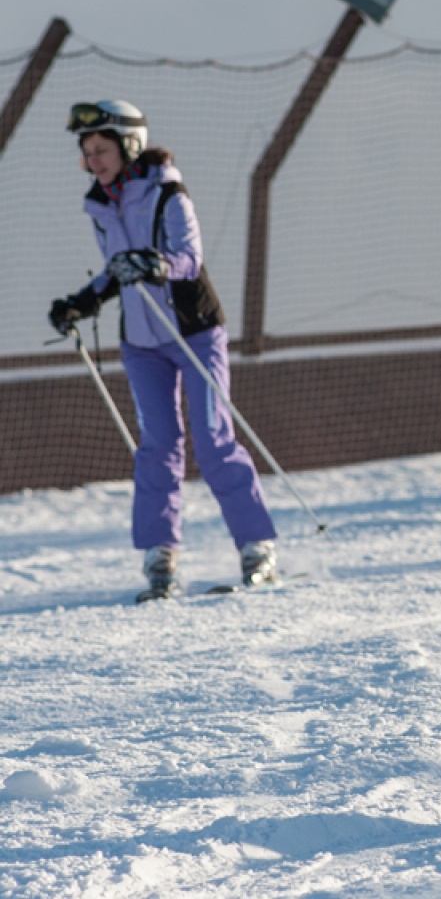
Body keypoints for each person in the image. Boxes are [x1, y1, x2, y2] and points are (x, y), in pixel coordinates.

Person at [46, 100, 279, 601]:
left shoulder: (168, 191)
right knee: (157, 448)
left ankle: (257, 547)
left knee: (214, 440)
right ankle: (160, 558)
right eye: (87, 152)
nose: (94, 160)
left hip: (193, 330)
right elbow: (113, 268)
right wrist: (80, 303)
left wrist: (151, 264)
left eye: (102, 149)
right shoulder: (100, 202)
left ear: (129, 145)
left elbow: (188, 259)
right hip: (142, 341)